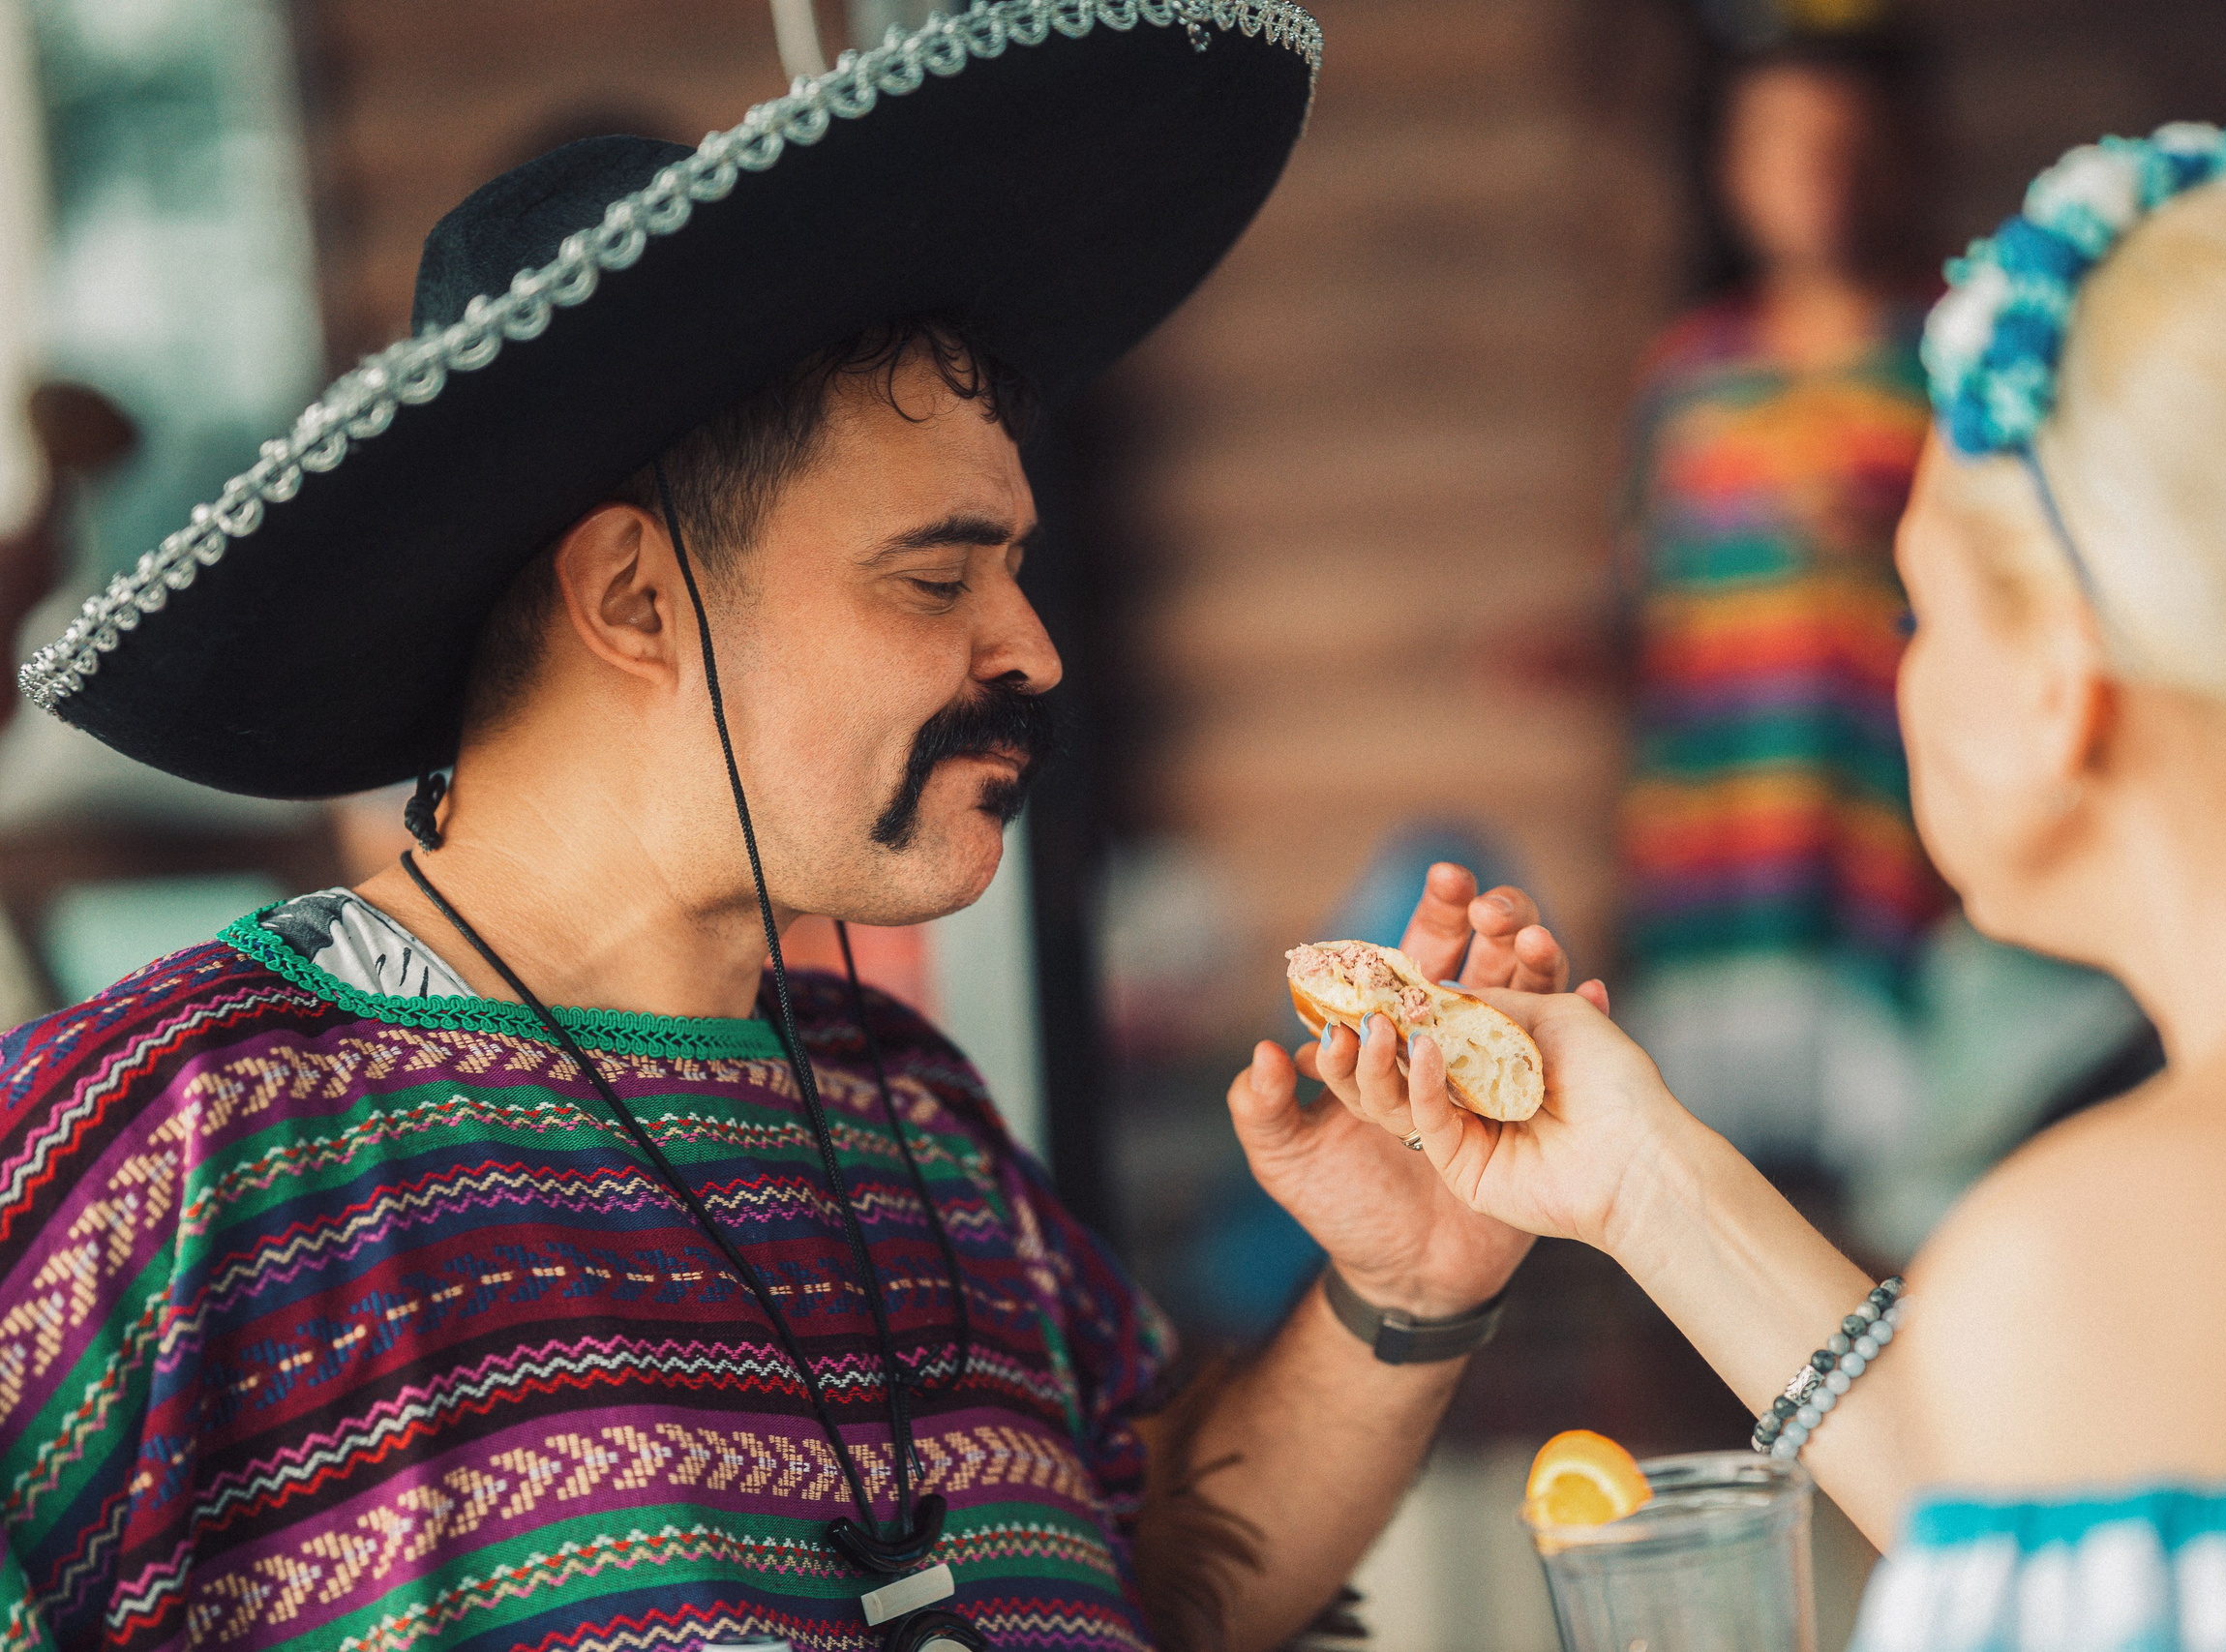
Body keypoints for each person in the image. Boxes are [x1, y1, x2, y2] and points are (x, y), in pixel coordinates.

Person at [0, 13, 1577, 1651]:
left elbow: (1150, 1571)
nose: (1030, 647)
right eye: (935, 572)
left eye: (1018, 569)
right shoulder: (153, 1159)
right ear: (632, 596)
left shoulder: (911, 1119)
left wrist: (1408, 1288)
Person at [1297, 126, 2226, 1644]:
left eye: (1914, 602)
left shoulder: (2091, 1264)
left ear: (2061, 685)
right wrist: (1649, 1182)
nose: (1899, 667)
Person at [1615, 30, 1950, 1165]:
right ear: (1731, 171)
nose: (1820, 174)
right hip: (1717, 852)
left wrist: (1897, 545)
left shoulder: (1948, 355)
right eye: (1783, 146)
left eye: (1848, 145)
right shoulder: (1690, 377)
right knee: (1722, 1167)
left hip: (1887, 848)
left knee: (1896, 1164)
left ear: (1899, 160)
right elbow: (1650, 598)